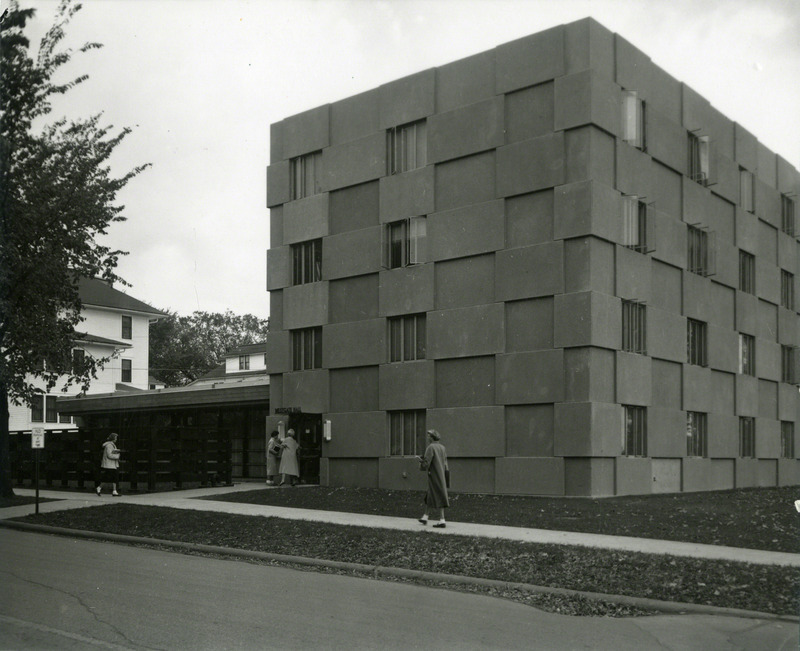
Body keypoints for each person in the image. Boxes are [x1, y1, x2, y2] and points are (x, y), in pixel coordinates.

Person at [417, 429, 449, 528]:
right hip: (442, 475)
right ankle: (425, 517)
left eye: (428, 436)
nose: (427, 437)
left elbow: (426, 464)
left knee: (437, 495)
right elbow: (445, 462)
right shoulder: (442, 447)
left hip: (434, 475)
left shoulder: (430, 447)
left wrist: (420, 461)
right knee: (431, 495)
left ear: (431, 437)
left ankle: (442, 520)